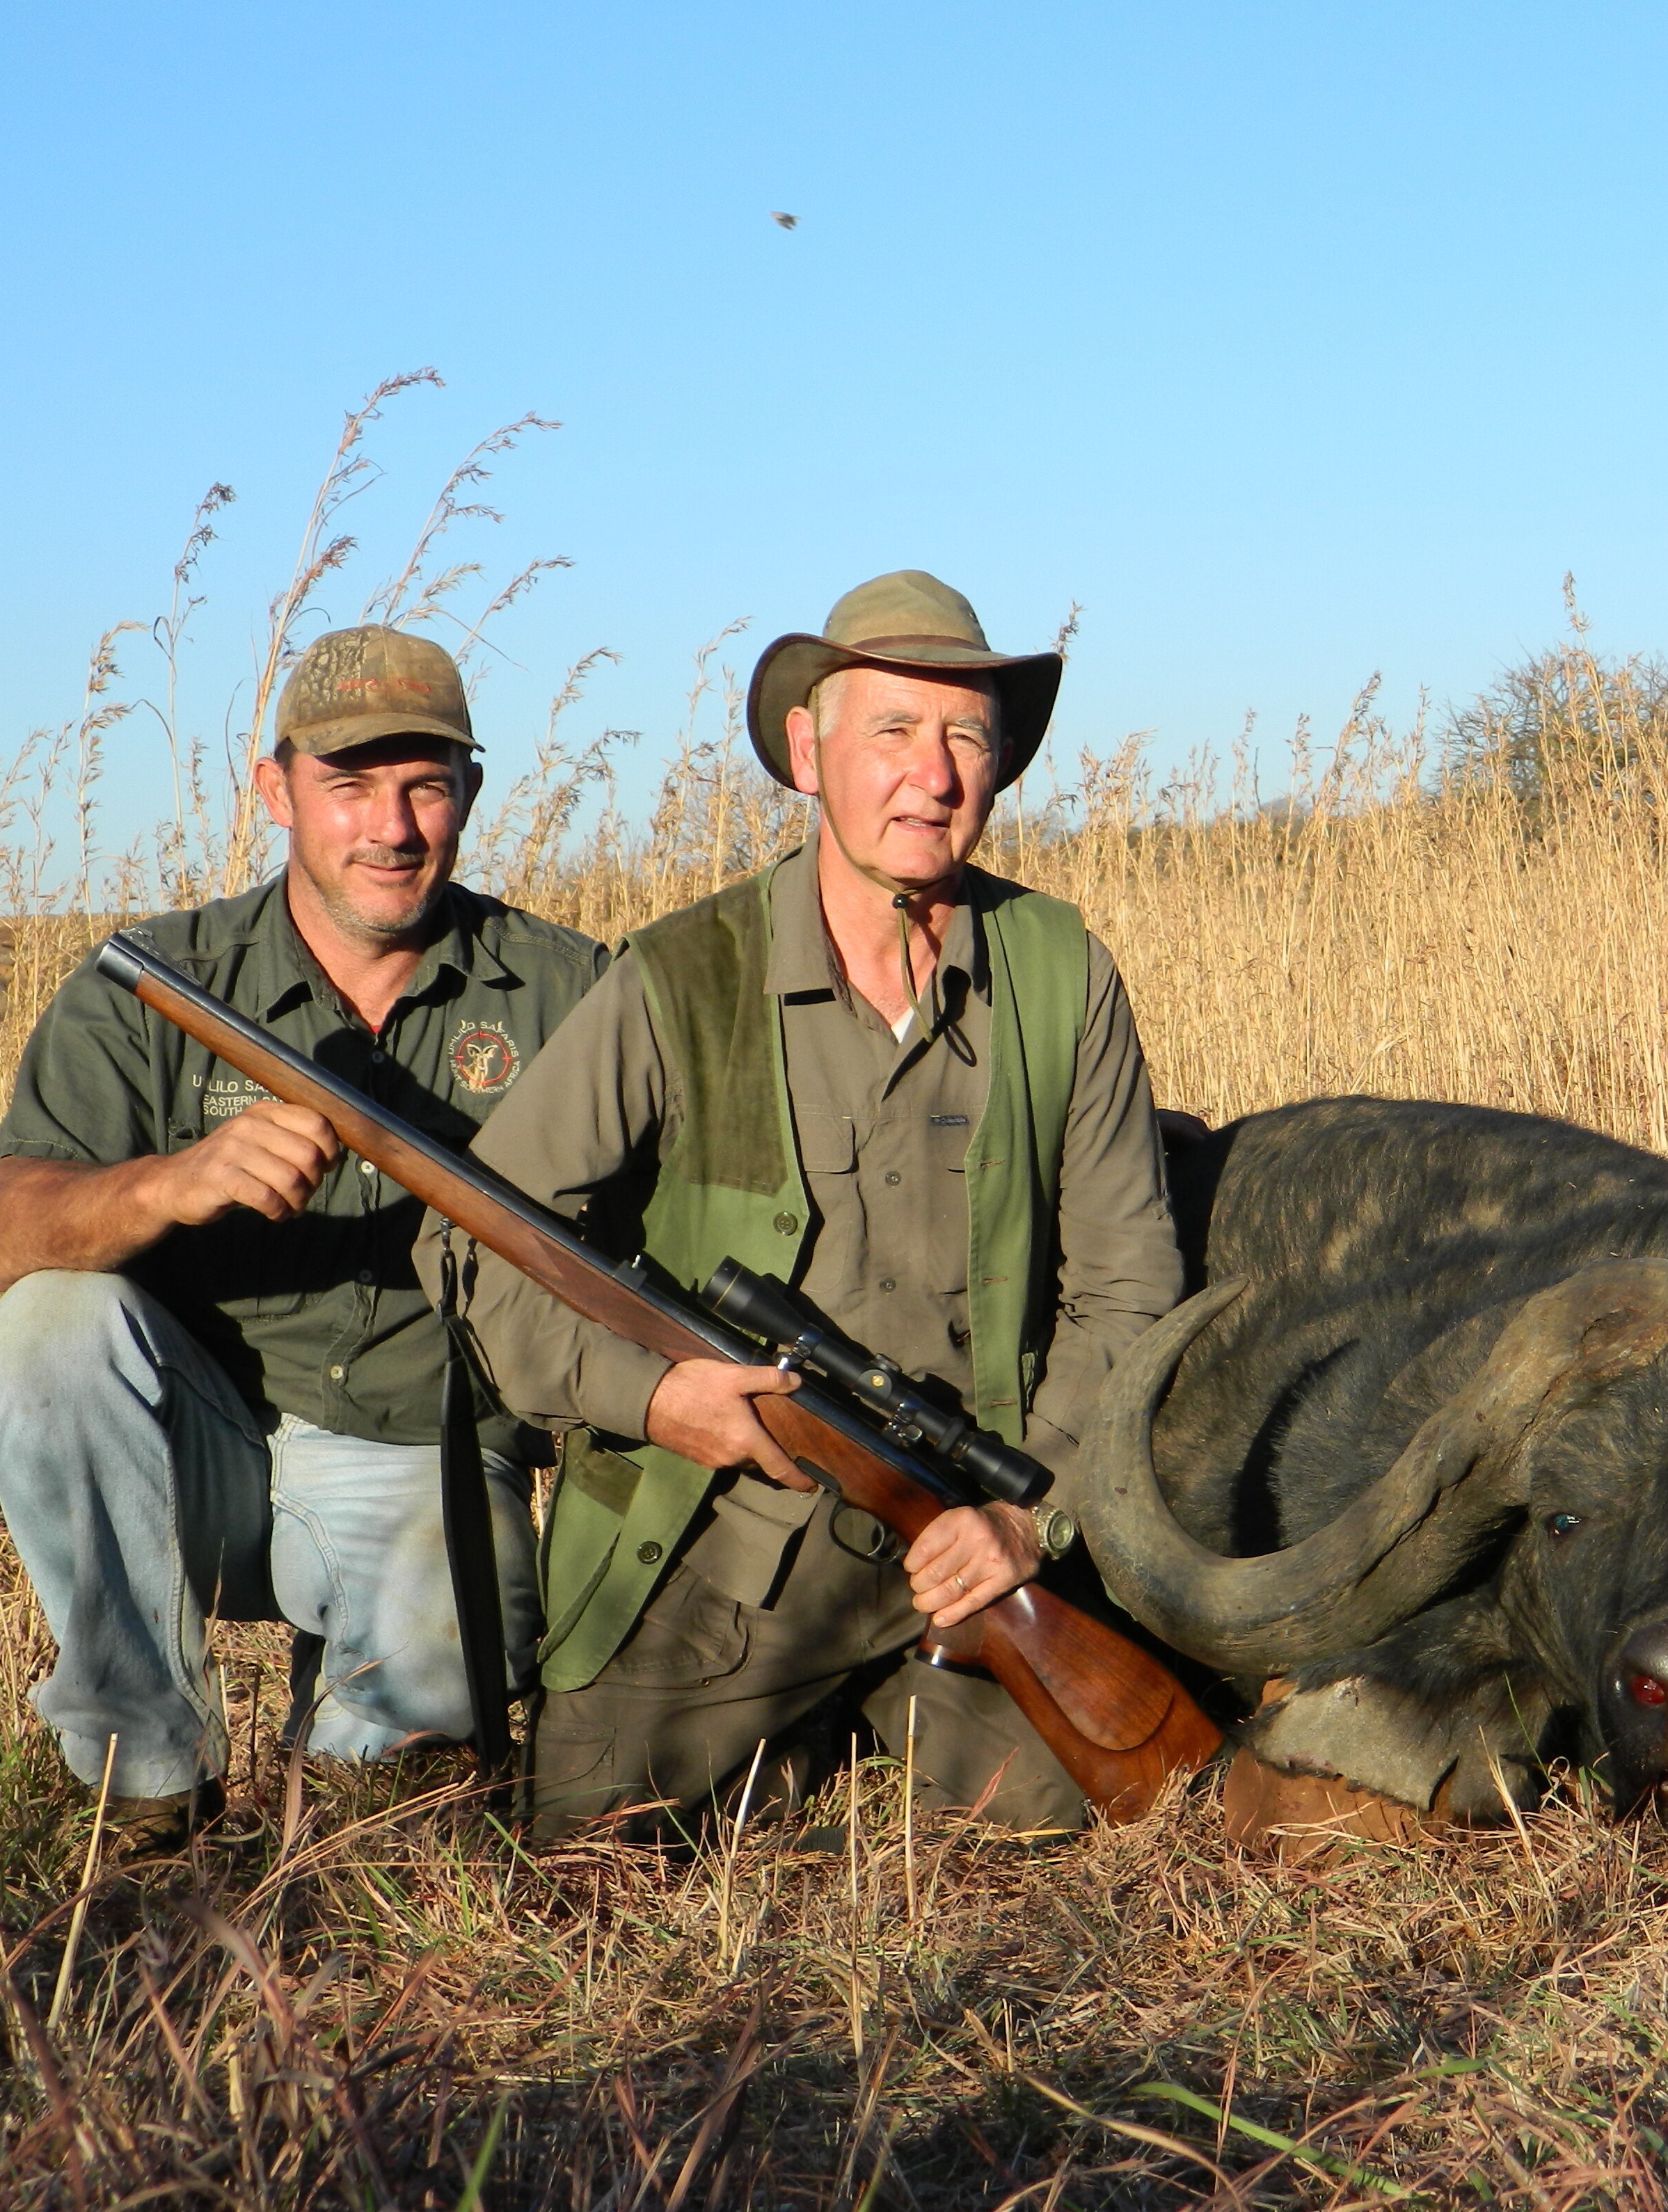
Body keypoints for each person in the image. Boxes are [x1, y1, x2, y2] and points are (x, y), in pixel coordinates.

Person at [445, 570, 1182, 1844]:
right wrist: (656, 1398)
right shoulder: (679, 974)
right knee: (590, 1837)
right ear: (807, 753)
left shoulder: (1064, 972)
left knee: (1103, 1814)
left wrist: (1027, 1515)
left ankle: (850, 1740)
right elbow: (478, 1248)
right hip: (730, 1538)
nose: (934, 774)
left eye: (967, 736)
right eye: (892, 730)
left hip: (967, 1536)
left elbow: (1131, 1291)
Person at [0, 625, 609, 1857]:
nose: (393, 827)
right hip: (188, 1449)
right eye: (350, 785)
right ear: (276, 791)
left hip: (417, 1455)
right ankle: (146, 1775)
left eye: (427, 785)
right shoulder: (159, 977)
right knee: (49, 1323)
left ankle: (354, 1761)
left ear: (471, 792)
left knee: (396, 1819)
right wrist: (173, 1184)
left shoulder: (566, 987)